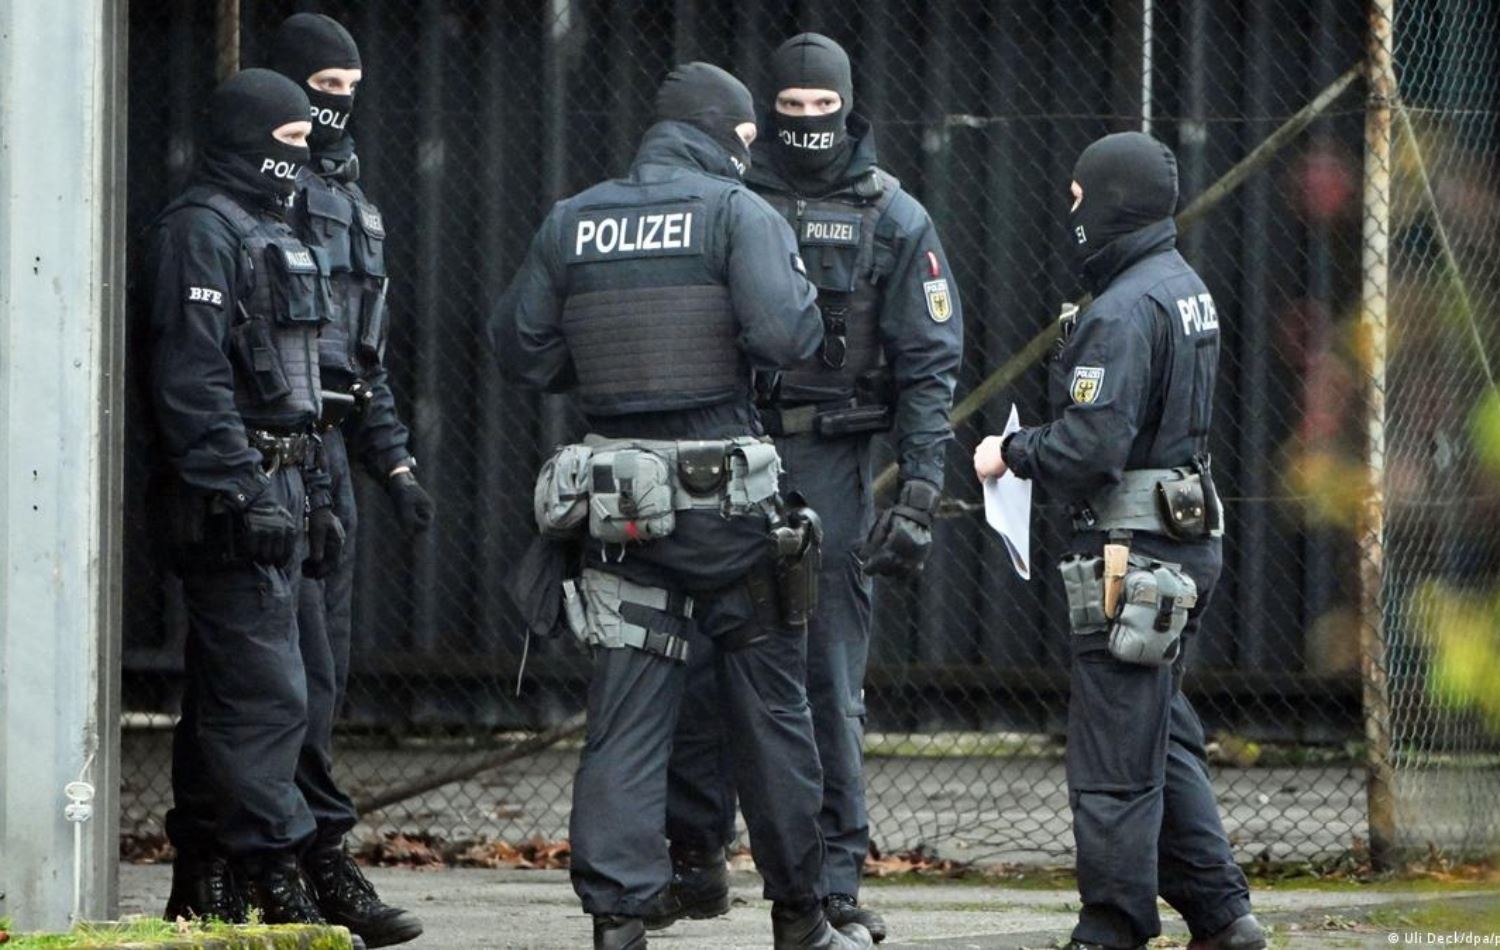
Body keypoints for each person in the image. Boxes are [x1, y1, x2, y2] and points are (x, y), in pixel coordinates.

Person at [490, 61, 872, 950]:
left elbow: (523, 348)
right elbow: (784, 335)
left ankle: (618, 919)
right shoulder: (739, 211)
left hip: (619, 510)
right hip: (726, 510)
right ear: (722, 132)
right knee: (773, 716)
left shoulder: (574, 218)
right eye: (746, 136)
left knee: (625, 716)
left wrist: (614, 376)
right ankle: (803, 918)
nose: (752, 149)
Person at [654, 34, 962, 944]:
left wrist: (919, 493)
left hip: (828, 460)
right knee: (697, 662)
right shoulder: (724, 199)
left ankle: (832, 886)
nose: (808, 126)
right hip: (721, 450)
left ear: (849, 107)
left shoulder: (893, 216)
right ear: (765, 114)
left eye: (823, 109)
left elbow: (929, 364)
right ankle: (694, 861)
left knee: (825, 677)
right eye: (789, 111)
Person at [973, 132, 1265, 950]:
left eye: (1077, 196)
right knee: (1160, 735)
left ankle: (1111, 927)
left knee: (1112, 755)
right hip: (1183, 541)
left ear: (1108, 201)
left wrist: (1010, 452)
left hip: (1131, 557)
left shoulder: (1121, 309)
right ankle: (1223, 916)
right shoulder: (1183, 285)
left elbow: (1090, 448)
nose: (1069, 210)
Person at [146, 68, 345, 927]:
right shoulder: (198, 230)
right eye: (288, 141)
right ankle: (279, 878)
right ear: (246, 138)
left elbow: (302, 383)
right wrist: (241, 487)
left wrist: (318, 490)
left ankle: (209, 876)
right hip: (235, 497)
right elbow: (189, 380)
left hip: (287, 483)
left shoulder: (273, 228)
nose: (301, 156)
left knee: (271, 692)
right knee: (264, 697)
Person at [269, 13, 430, 947]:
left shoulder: (356, 204)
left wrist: (394, 461)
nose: (337, 105)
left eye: (349, 90)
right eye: (322, 88)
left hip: (333, 454)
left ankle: (308, 859)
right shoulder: (258, 196)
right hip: (273, 453)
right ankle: (287, 859)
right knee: (275, 680)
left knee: (320, 679)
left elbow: (362, 358)